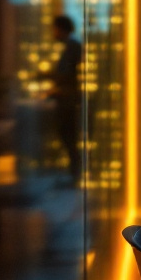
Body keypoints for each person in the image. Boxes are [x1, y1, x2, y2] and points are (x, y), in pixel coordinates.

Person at [49, 15, 83, 182]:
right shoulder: (71, 45)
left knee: (69, 138)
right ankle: (73, 174)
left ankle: (74, 175)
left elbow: (67, 74)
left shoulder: (72, 46)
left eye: (55, 28)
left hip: (68, 102)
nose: (53, 32)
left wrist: (56, 87)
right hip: (67, 100)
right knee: (69, 138)